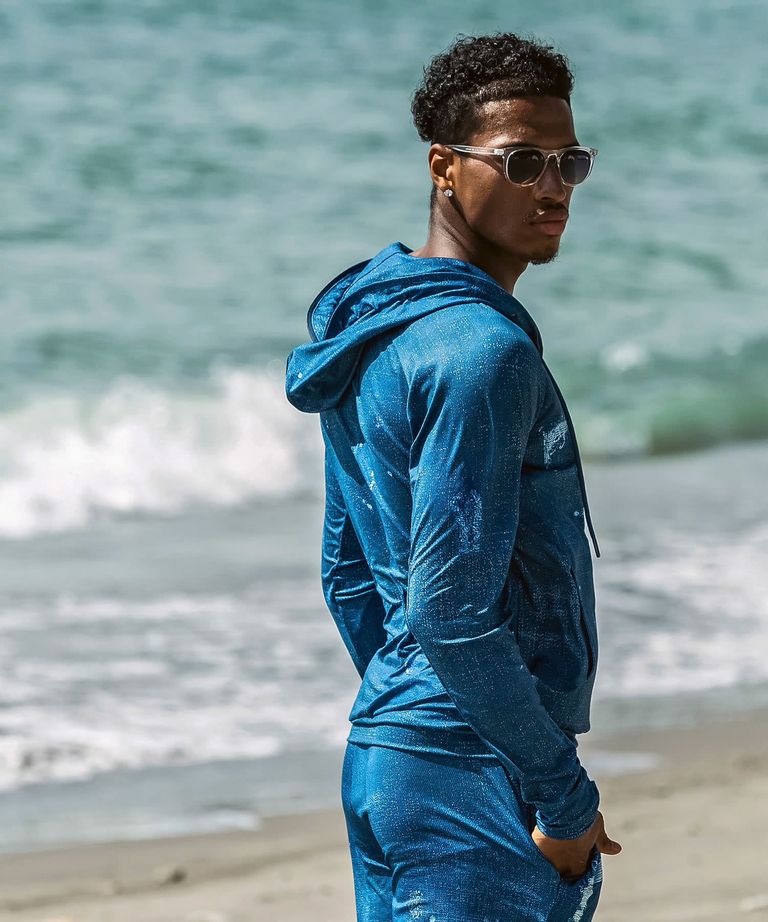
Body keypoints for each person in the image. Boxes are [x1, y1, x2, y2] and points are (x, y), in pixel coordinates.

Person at [285, 31, 622, 922]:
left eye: (569, 162)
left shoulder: (377, 326)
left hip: (390, 759)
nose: (552, 188)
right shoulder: (482, 352)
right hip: (466, 778)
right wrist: (563, 796)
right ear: (444, 166)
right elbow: (450, 613)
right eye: (521, 162)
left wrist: (407, 715)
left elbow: (348, 573)